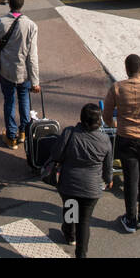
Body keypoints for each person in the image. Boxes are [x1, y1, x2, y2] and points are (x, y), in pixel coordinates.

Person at [104, 53, 140, 233]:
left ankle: (130, 219)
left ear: (126, 69)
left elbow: (106, 116)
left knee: (130, 178)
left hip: (126, 138)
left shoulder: (117, 88)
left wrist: (115, 125)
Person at [51, 103, 114, 257]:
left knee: (70, 208)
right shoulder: (105, 139)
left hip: (69, 184)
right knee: (84, 222)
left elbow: (56, 155)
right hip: (91, 189)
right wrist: (109, 179)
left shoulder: (69, 133)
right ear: (98, 121)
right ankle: (81, 253)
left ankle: (69, 233)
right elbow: (108, 165)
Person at [0, 0, 40, 149]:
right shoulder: (31, 26)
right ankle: (24, 132)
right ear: (22, 5)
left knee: (9, 101)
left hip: (6, 70)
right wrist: (35, 81)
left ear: (9, 4)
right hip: (24, 73)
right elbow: (33, 56)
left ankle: (11, 136)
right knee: (24, 100)